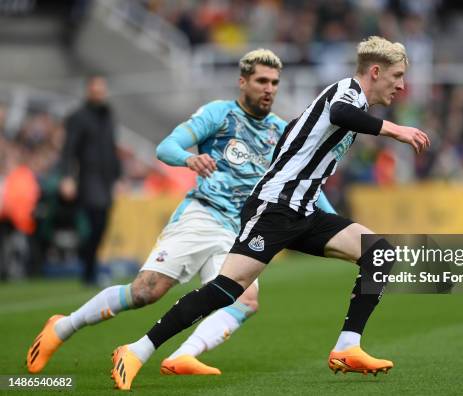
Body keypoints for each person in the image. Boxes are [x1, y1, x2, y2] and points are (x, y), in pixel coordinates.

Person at [111, 36, 430, 390]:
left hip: (303, 210)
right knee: (226, 289)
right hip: (274, 208)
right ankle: (136, 350)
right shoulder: (348, 91)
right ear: (375, 72)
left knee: (380, 251)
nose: (401, 85)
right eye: (397, 75)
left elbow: (298, 129)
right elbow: (340, 114)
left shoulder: (351, 101)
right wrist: (395, 130)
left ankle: (347, 346)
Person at [26, 49, 337, 376]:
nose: (269, 88)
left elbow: (307, 189)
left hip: (240, 231)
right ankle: (62, 328)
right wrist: (189, 159)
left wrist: (336, 224)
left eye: (274, 82)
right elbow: (166, 147)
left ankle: (184, 355)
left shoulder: (282, 132)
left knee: (245, 302)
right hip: (203, 215)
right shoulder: (219, 114)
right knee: (146, 291)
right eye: (261, 80)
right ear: (242, 81)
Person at [56, 75, 121, 286]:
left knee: (102, 225)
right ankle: (89, 271)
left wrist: (118, 176)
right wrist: (67, 177)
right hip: (88, 177)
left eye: (102, 89)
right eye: (96, 89)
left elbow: (112, 148)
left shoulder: (108, 115)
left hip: (106, 179)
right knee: (95, 222)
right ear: (88, 91)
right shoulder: (78, 117)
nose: (99, 93)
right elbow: (69, 150)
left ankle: (89, 268)